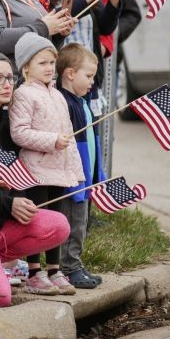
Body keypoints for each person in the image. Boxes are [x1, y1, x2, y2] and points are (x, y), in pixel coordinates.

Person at [0, 49, 71, 306]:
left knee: (59, 225)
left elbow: (18, 173)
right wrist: (8, 204)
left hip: (2, 223)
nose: (7, 84)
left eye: (10, 77)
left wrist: (16, 201)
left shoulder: (9, 123)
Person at [9, 33, 84, 295]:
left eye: (52, 62)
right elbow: (19, 132)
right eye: (42, 63)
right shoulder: (23, 94)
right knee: (37, 221)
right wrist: (52, 140)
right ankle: (33, 271)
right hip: (36, 169)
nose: (50, 68)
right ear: (25, 66)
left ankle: (54, 269)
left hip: (59, 170)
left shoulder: (59, 96)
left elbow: (69, 137)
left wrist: (76, 171)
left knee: (57, 220)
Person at [56, 44, 105, 289]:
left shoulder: (82, 102)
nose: (92, 82)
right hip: (74, 178)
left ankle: (76, 263)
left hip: (86, 175)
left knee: (82, 222)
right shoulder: (64, 103)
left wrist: (98, 174)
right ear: (70, 74)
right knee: (73, 223)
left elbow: (93, 144)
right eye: (89, 76)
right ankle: (69, 267)